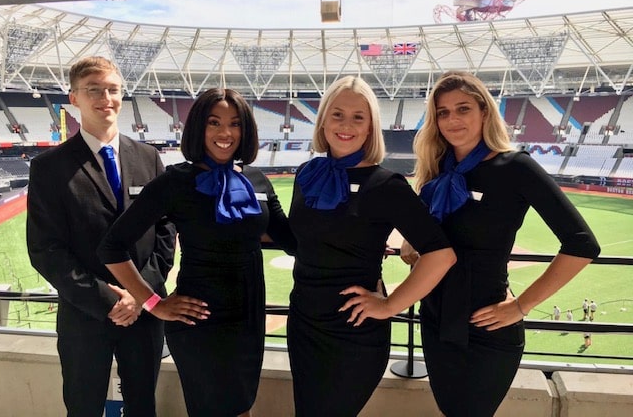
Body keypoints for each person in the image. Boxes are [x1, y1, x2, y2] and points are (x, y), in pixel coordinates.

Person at [401, 70, 600, 417]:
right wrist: (412, 242)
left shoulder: (515, 167)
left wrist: (521, 306)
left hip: (486, 326)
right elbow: (430, 234)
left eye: (463, 108)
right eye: (442, 112)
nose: (452, 119)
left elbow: (582, 244)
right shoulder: (436, 169)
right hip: (434, 319)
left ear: (484, 112)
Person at [98, 88, 296, 417]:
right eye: (214, 122)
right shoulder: (176, 182)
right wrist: (154, 304)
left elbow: (294, 242)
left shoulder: (256, 181)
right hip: (199, 319)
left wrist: (365, 243)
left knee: (242, 406)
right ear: (198, 128)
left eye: (235, 124)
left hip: (248, 318)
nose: (225, 133)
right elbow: (112, 247)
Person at [286, 75, 457, 416]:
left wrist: (389, 305)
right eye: (337, 114)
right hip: (303, 322)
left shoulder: (385, 185)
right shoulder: (307, 174)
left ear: (370, 127)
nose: (346, 125)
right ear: (322, 121)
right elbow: (300, 241)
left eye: (358, 117)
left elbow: (441, 255)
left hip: (353, 330)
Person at [26, 56, 177, 417]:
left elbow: (165, 233)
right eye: (93, 89)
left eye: (112, 90)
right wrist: (108, 298)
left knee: (144, 406)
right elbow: (46, 250)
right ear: (73, 98)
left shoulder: (149, 158)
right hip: (84, 315)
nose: (105, 98)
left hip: (144, 315)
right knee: (83, 406)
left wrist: (141, 295)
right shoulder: (49, 167)